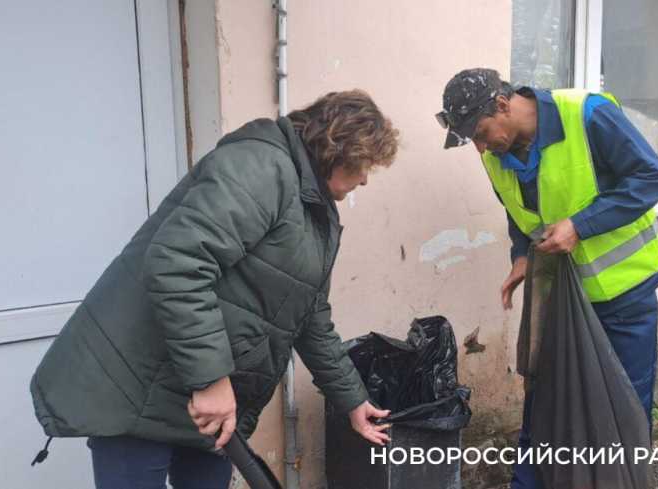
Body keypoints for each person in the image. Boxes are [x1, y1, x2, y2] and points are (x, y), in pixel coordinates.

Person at [31, 89, 399, 488]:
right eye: (363, 165)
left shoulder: (312, 207)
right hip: (140, 385)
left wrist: (352, 399)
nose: (365, 179)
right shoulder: (261, 168)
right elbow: (178, 263)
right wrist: (210, 380)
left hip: (204, 397)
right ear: (335, 149)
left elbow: (309, 315)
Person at [436, 68, 658, 488]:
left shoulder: (587, 114)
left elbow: (652, 178)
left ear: (503, 105)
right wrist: (520, 257)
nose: (480, 147)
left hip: (625, 293)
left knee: (624, 410)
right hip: (560, 298)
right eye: (472, 139)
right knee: (545, 404)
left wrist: (581, 225)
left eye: (480, 133)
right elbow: (518, 214)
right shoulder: (495, 156)